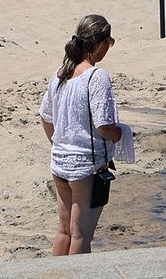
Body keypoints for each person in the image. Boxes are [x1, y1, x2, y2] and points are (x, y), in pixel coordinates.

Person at [39, 15, 122, 254]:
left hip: (60, 161)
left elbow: (46, 116)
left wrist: (59, 142)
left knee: (63, 231)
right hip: (86, 166)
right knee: (81, 235)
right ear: (101, 44)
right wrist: (120, 134)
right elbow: (104, 126)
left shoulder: (61, 73)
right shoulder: (96, 77)